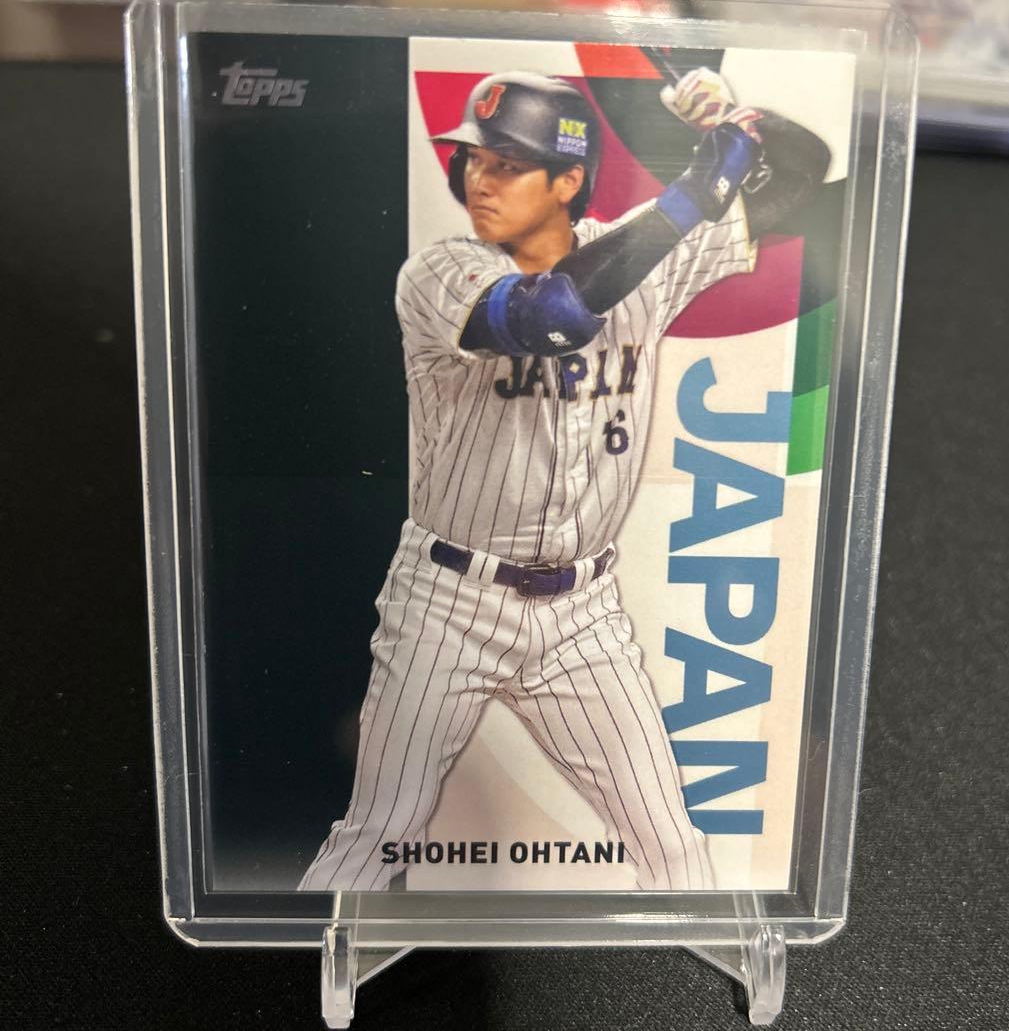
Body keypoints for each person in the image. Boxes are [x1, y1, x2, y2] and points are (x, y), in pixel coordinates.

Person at [300, 67, 803, 892]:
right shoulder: (441, 273)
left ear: (568, 181)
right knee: (378, 835)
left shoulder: (649, 249)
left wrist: (742, 122)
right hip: (449, 605)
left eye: (507, 163)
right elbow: (552, 315)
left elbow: (800, 180)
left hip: (582, 618)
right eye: (474, 158)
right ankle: (295, 962)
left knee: (674, 847)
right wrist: (694, 191)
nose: (480, 178)